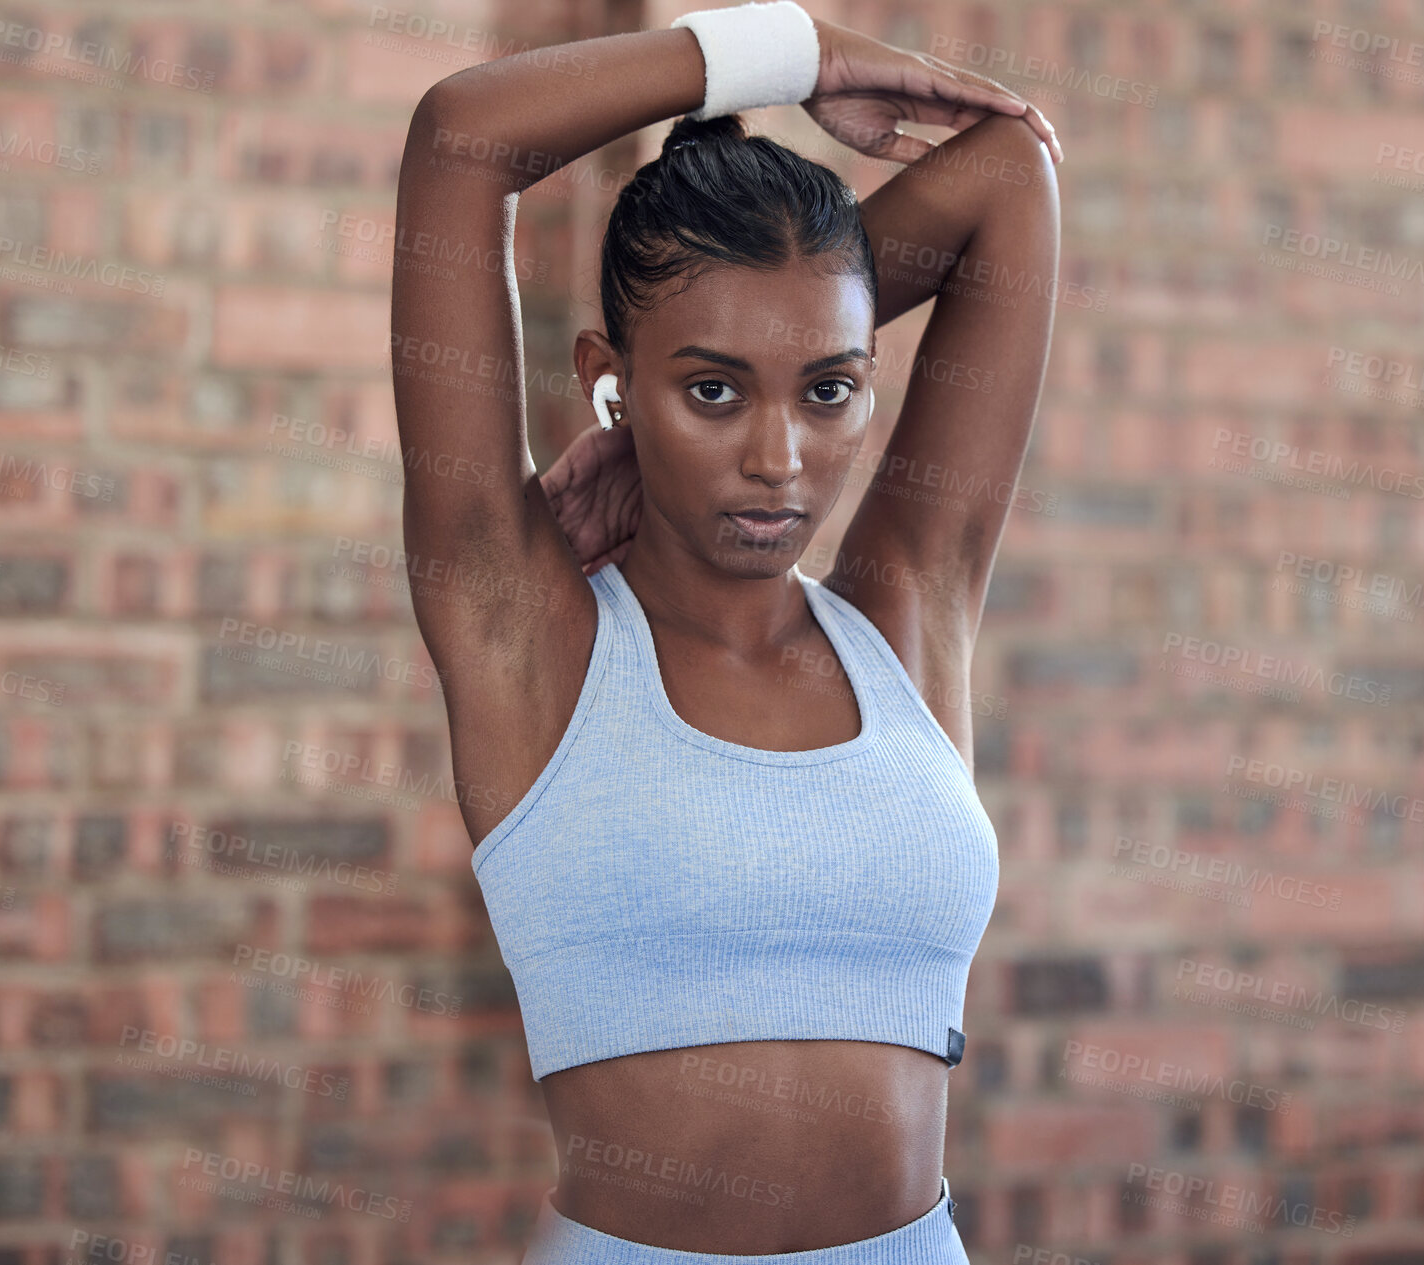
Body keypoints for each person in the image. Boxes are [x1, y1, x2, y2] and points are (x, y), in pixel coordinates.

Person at [391, 3, 1059, 1260]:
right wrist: (798, 49)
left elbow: (1010, 175)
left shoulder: (907, 617)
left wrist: (734, 357)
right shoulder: (526, 636)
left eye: (829, 391)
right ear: (611, 373)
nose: (777, 458)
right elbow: (460, 137)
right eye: (710, 391)